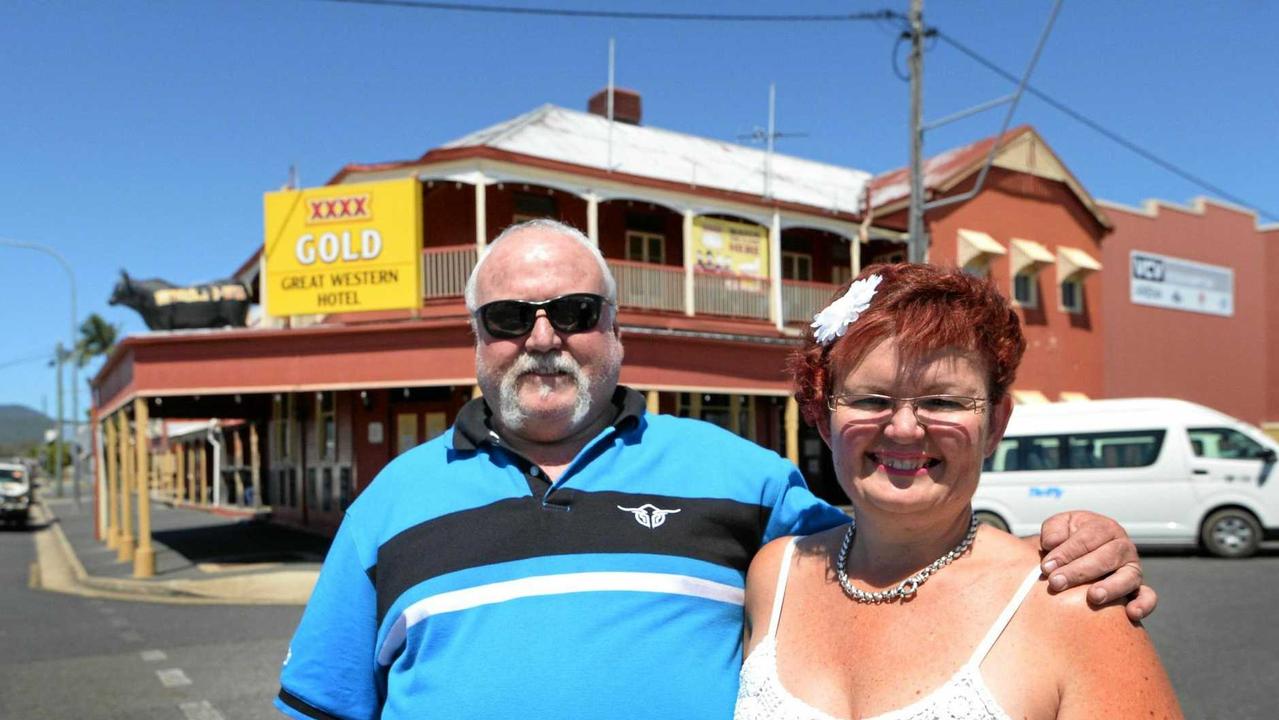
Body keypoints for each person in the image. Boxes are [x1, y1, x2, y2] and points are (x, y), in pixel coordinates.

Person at [276, 220, 1154, 720]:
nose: (543, 337)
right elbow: (321, 707)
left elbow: (902, 534)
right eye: (509, 316)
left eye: (574, 312)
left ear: (616, 331)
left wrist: (1063, 547)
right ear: (476, 341)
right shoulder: (389, 501)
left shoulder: (742, 478)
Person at [735, 264, 1181, 719]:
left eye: (942, 401)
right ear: (825, 419)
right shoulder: (775, 577)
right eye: (871, 399)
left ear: (996, 425)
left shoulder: (1072, 600)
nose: (904, 428)